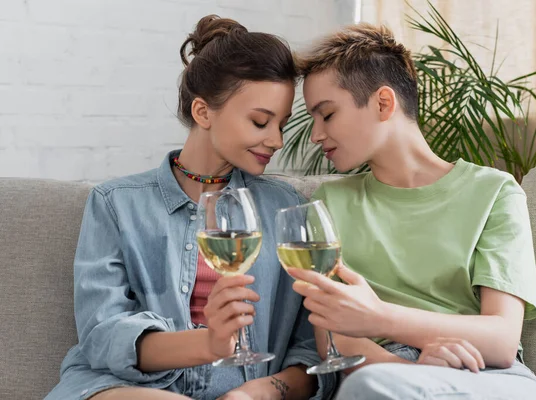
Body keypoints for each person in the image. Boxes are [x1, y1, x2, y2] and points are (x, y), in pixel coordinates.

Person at [45, 15, 336, 400]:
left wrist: (262, 392)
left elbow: (309, 346)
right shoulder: (116, 203)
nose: (277, 140)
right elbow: (103, 337)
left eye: (281, 123)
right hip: (128, 389)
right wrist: (210, 344)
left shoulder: (284, 206)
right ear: (203, 113)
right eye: (260, 121)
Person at [288, 22, 536, 399]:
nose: (316, 134)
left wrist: (379, 317)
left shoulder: (493, 191)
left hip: (486, 372)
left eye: (327, 114)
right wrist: (411, 370)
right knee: (370, 387)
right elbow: (333, 338)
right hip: (382, 373)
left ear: (383, 103)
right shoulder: (330, 204)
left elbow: (501, 339)